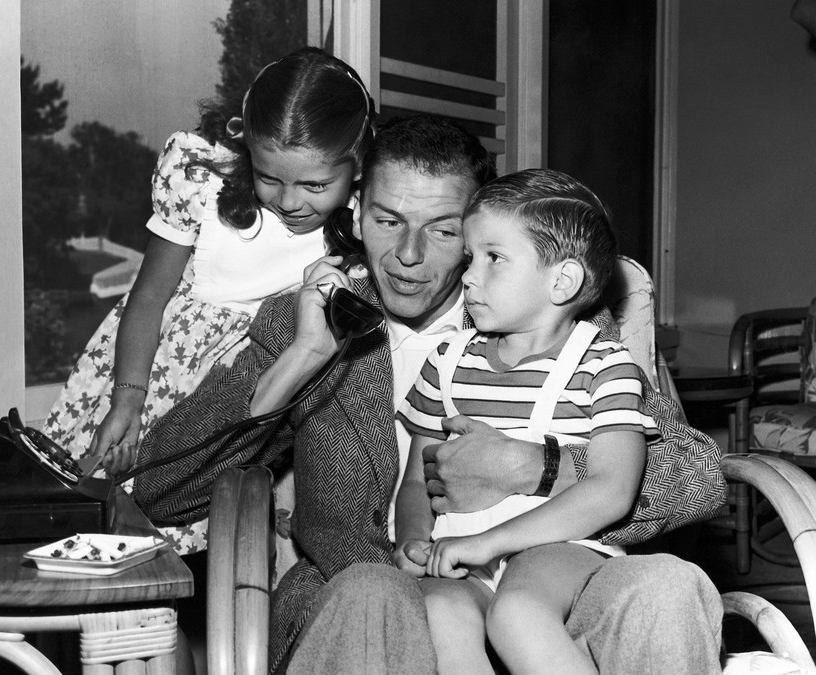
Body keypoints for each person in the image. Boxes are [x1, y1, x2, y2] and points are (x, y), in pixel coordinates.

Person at [133, 114, 724, 674]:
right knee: (374, 589)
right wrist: (303, 358)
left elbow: (699, 477)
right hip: (364, 598)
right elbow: (166, 487)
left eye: (442, 231)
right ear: (356, 211)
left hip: (542, 590)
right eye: (388, 221)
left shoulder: (557, 320)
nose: (409, 255)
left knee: (666, 584)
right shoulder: (306, 321)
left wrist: (535, 469)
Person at [41, 47, 374, 553]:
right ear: (246, 149)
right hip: (150, 375)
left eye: (314, 185)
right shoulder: (202, 180)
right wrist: (127, 398)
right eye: (269, 178)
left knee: (187, 560)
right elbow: (148, 297)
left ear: (357, 166)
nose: (288, 201)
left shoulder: (366, 223)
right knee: (95, 535)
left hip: (236, 400)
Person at [394, 169, 661, 674]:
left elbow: (612, 491)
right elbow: (415, 480)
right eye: (470, 258)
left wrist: (489, 544)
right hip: (458, 548)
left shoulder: (605, 367)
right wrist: (414, 540)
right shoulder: (448, 361)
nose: (468, 276)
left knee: (517, 614)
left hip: (558, 545)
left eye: (494, 258)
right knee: (438, 611)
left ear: (562, 280)